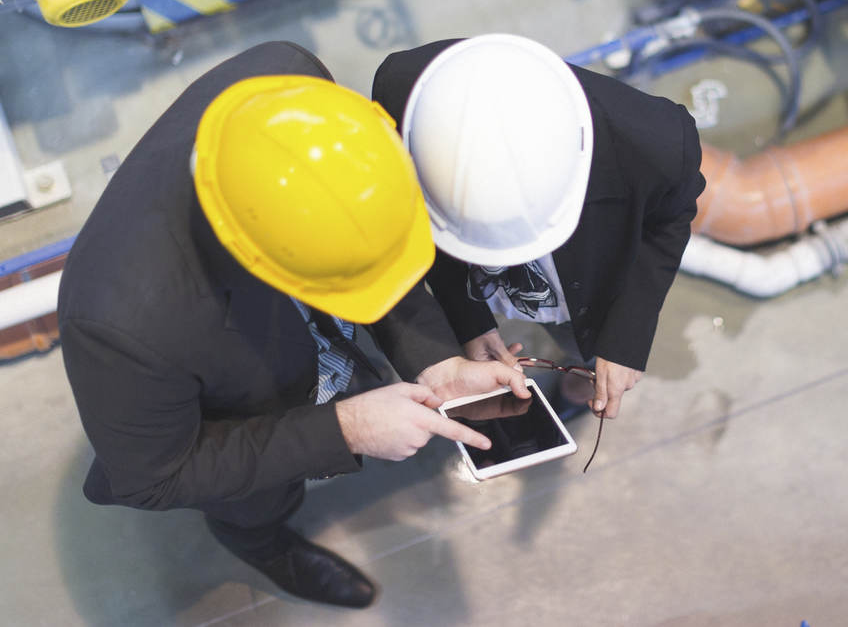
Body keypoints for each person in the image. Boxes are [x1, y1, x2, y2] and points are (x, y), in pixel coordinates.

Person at [57, 41, 528, 609]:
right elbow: (155, 474)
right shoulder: (120, 322)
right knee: (255, 502)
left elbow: (362, 237)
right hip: (237, 412)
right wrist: (344, 429)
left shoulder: (291, 84)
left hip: (288, 342)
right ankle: (261, 544)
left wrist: (437, 363)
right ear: (258, 258)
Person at [372, 34, 705, 420]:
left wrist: (624, 339)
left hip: (582, 292)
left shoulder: (658, 143)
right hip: (480, 285)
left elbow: (669, 221)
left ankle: (580, 380)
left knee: (588, 350)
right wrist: (469, 322)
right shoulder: (406, 96)